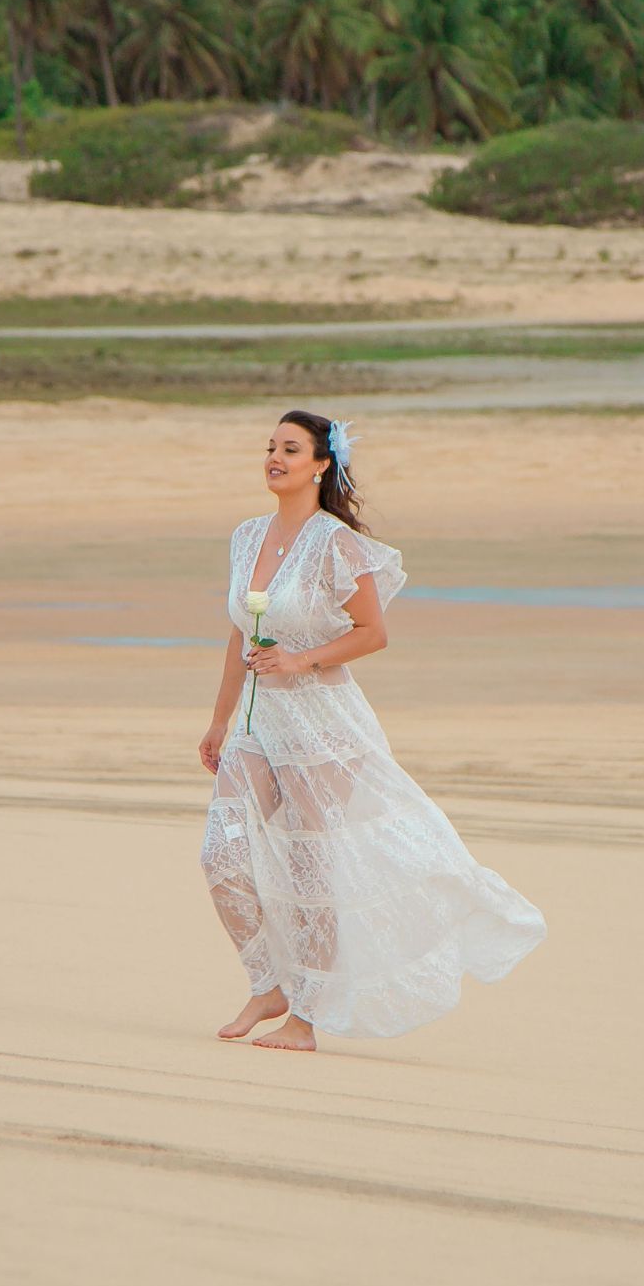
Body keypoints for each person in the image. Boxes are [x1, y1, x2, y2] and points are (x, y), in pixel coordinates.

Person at [199, 409, 547, 1051]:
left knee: (310, 869)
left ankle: (307, 1017)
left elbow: (373, 632)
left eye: (291, 449)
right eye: (270, 447)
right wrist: (219, 718)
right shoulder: (246, 537)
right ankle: (267, 982)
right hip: (256, 717)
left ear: (322, 465)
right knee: (220, 854)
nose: (275, 457)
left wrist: (299, 660)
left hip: (322, 723)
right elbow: (239, 634)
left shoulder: (336, 542)